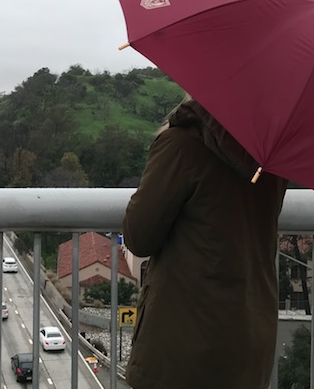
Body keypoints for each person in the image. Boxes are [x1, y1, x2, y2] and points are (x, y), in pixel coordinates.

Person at [123, 96, 288, 389]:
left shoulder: (181, 147)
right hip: (250, 339)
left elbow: (139, 237)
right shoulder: (270, 160)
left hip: (180, 345)